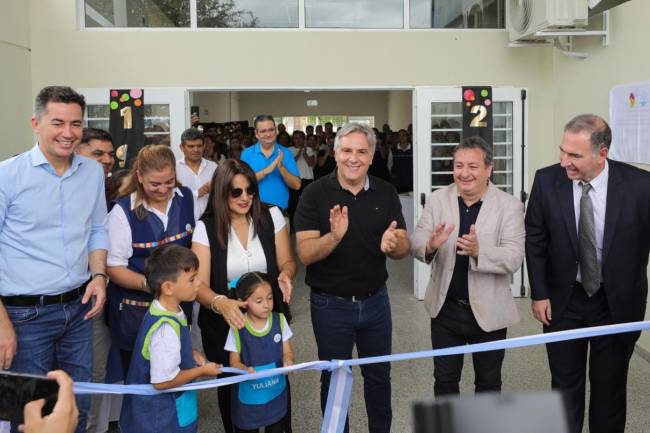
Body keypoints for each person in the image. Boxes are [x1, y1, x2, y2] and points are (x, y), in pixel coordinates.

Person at [525, 114, 650, 433]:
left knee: (610, 389)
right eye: (562, 150)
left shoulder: (640, 186)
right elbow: (536, 240)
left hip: (617, 303)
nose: (564, 160)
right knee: (565, 388)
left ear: (602, 153)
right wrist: (539, 293)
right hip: (563, 302)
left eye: (575, 155)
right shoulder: (546, 180)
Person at [0, 86, 108, 433]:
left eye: (76, 124)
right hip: (22, 317)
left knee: (76, 410)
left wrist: (99, 276)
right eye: (58, 122)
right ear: (36, 123)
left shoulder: (91, 172)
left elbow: (98, 230)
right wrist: (2, 324)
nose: (68, 133)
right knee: (30, 416)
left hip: (78, 311)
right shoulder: (7, 176)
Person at [294, 122, 410, 433]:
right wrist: (333, 237)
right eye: (347, 150)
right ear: (334, 153)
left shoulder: (385, 192)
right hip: (330, 305)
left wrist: (396, 244)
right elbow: (304, 253)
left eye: (362, 151)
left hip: (376, 302)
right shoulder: (313, 193)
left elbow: (403, 246)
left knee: (378, 376)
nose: (353, 158)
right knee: (335, 379)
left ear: (372, 156)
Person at [411, 136, 525, 396]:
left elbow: (514, 257)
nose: (464, 173)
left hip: (489, 311)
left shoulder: (509, 206)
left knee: (488, 383)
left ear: (489, 169)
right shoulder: (438, 199)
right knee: (445, 380)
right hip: (446, 311)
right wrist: (431, 244)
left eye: (472, 166)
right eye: (458, 166)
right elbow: (417, 241)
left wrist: (479, 251)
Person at [191, 159, 296, 433]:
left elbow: (287, 261)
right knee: (233, 394)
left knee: (275, 385)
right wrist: (220, 302)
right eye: (236, 192)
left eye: (250, 190)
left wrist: (286, 273)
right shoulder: (206, 227)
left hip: (267, 321)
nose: (245, 198)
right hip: (226, 326)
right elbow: (198, 285)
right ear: (221, 192)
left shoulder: (271, 215)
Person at [106, 145, 199, 383]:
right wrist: (153, 285)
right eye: (154, 184)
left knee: (175, 366)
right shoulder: (123, 211)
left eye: (169, 182)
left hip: (178, 305)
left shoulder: (186, 197)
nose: (163, 190)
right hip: (136, 309)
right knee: (140, 373)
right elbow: (114, 268)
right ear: (139, 177)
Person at [120, 244, 221, 433]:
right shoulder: (165, 330)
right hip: (160, 420)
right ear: (168, 287)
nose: (199, 284)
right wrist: (201, 372)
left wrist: (189, 352)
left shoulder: (165, 309)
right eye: (192, 280)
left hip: (169, 412)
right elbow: (162, 382)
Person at [225, 272, 294, 433]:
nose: (266, 305)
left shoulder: (280, 320)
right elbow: (234, 362)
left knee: (276, 427)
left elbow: (288, 352)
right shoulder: (237, 327)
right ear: (242, 303)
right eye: (259, 300)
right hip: (249, 400)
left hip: (275, 394)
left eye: (270, 298)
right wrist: (243, 369)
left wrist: (289, 360)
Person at [241, 115, 301, 211]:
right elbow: (242, 183)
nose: (268, 134)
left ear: (276, 130)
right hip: (253, 212)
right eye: (263, 131)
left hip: (280, 212)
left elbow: (297, 185)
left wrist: (281, 167)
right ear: (256, 134)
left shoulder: (286, 152)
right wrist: (265, 171)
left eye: (271, 130)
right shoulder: (247, 154)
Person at [176, 127, 218, 219]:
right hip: (183, 221)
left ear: (204, 146)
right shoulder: (175, 169)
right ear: (182, 147)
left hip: (210, 220)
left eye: (199, 146)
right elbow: (172, 198)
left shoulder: (213, 167)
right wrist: (198, 193)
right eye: (191, 146)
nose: (196, 150)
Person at [391, 129, 413, 193]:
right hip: (398, 181)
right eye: (399, 136)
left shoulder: (414, 149)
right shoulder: (393, 150)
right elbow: (390, 164)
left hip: (411, 179)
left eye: (403, 135)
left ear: (407, 137)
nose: (402, 137)